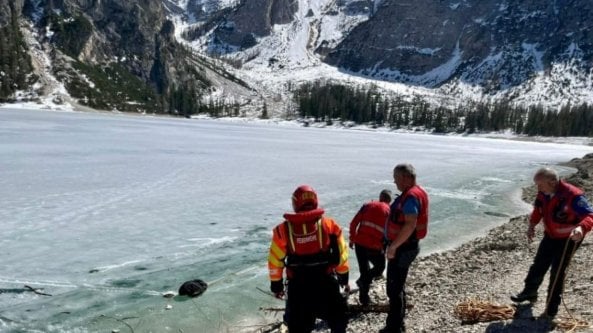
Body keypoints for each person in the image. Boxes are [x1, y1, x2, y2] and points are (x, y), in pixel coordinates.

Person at [510, 167, 593, 318]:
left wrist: (581, 228)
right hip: (550, 235)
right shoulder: (544, 193)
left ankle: (551, 307)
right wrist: (531, 226)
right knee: (539, 264)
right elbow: (538, 210)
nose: (538, 188)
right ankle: (530, 292)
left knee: (558, 271)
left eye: (540, 184)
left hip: (569, 239)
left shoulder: (573, 196)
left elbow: (589, 215)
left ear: (553, 182)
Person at [267, 185, 351, 333]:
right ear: (316, 202)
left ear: (295, 204)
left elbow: (275, 261)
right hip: (326, 284)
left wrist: (277, 286)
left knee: (298, 327)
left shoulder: (282, 230)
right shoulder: (330, 225)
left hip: (298, 289)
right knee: (339, 321)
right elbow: (342, 255)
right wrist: (344, 279)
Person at [381, 164, 429, 333]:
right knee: (397, 286)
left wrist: (393, 247)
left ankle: (394, 327)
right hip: (406, 246)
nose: (394, 182)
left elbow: (410, 224)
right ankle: (398, 323)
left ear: (406, 177)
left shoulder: (410, 198)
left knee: (393, 289)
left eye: (396, 178)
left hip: (403, 248)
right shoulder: (415, 192)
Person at [349, 189, 392, 306]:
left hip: (360, 244)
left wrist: (352, 239)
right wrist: (389, 248)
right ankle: (362, 282)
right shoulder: (389, 211)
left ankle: (364, 300)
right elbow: (390, 233)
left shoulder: (367, 206)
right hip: (374, 246)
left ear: (380, 197)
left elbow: (353, 223)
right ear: (389, 200)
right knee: (380, 267)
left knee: (364, 270)